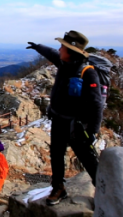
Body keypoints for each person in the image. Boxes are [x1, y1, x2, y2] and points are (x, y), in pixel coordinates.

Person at [26, 30, 103, 206]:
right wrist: (38, 47)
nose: (60, 49)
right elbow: (52, 53)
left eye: (63, 47)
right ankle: (58, 187)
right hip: (59, 119)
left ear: (72, 51)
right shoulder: (63, 63)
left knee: (86, 157)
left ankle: (103, 191)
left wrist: (93, 130)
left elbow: (97, 104)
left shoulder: (87, 73)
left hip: (77, 125)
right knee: (56, 154)